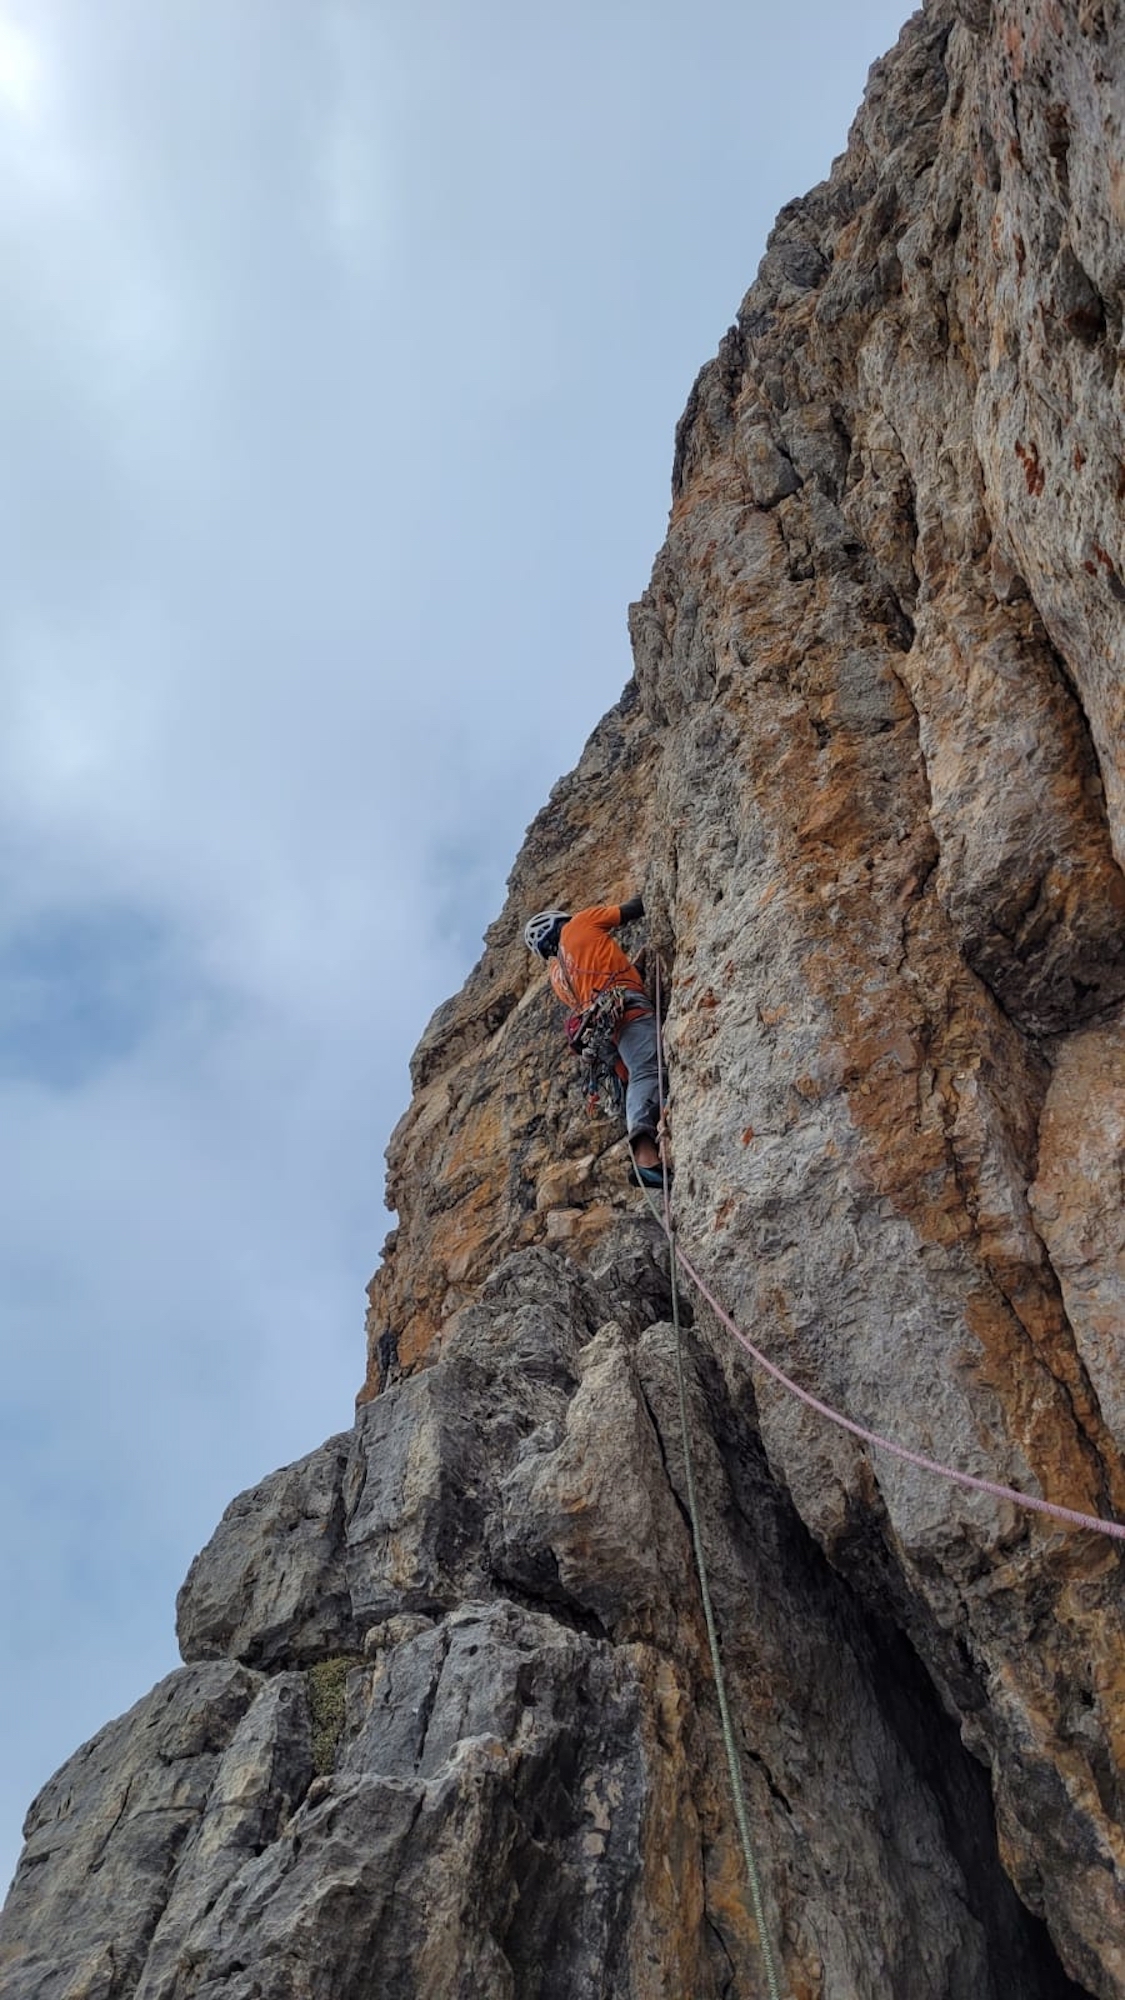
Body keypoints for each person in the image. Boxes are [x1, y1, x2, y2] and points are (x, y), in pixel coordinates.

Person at [523, 895, 670, 1189]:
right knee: (648, 1071)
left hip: (604, 1030)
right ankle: (645, 1159)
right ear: (560, 920)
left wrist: (633, 970)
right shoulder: (582, 921)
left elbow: (593, 986)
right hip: (626, 1008)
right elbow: (633, 909)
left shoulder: (556, 976)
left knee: (636, 1077)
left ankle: (653, 1140)